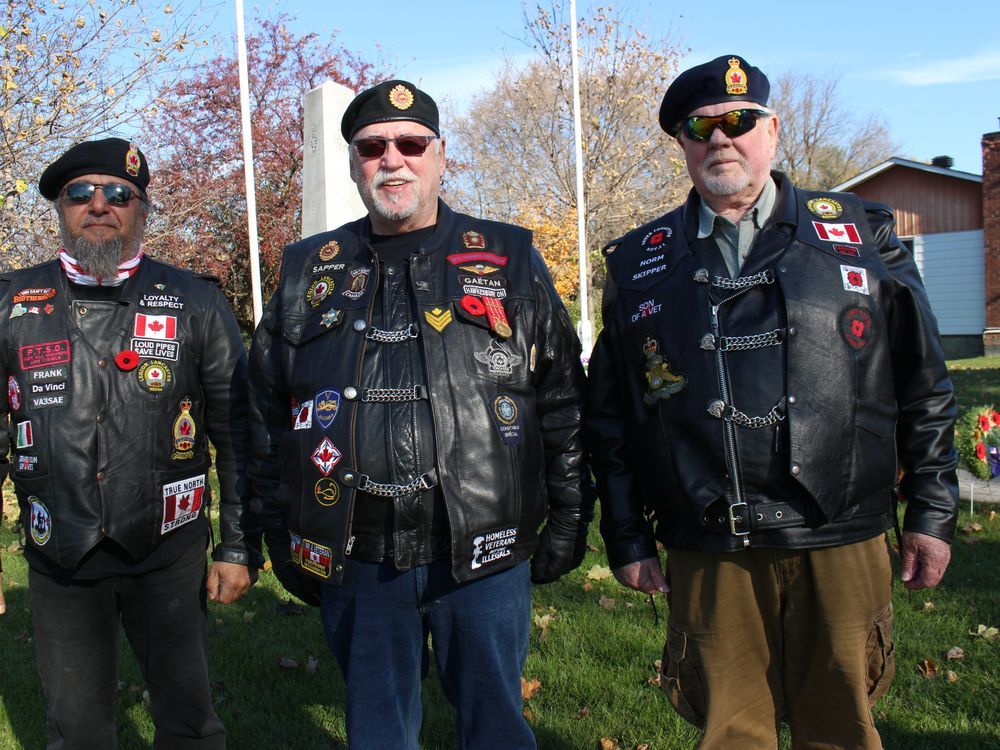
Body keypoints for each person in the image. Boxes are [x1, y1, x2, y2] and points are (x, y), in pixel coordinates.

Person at [586, 55, 958, 749]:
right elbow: (613, 416)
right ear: (682, 143)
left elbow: (924, 385)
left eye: (739, 121)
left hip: (840, 532)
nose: (721, 138)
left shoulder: (860, 235)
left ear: (772, 129)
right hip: (710, 540)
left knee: (842, 724)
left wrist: (933, 511)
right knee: (729, 732)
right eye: (701, 127)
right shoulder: (640, 264)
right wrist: (629, 535)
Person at [248, 79, 592, 749]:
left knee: (496, 727)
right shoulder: (304, 272)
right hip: (357, 552)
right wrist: (277, 530)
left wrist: (571, 516)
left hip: (483, 551)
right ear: (354, 163)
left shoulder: (510, 257)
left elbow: (561, 401)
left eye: (411, 144)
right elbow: (263, 414)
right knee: (378, 734)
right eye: (373, 147)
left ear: (440, 156)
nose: (392, 160)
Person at [0, 138, 257, 749]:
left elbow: (238, 432)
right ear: (59, 209)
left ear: (142, 211)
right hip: (61, 552)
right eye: (79, 193)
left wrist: (239, 546)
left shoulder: (196, 300)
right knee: (77, 730)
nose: (99, 205)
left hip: (166, 552)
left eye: (119, 194)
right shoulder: (11, 301)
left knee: (189, 721)